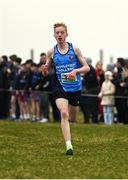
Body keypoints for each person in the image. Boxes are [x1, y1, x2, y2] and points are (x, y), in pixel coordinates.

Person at [41, 22, 90, 155]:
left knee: (73, 116)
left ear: (66, 34)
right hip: (59, 86)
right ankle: (69, 146)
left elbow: (87, 68)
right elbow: (47, 68)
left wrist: (76, 71)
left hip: (75, 87)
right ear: (54, 35)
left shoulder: (74, 49)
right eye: (57, 33)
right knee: (64, 113)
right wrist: (45, 69)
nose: (60, 35)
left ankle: (71, 130)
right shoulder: (51, 52)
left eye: (62, 32)